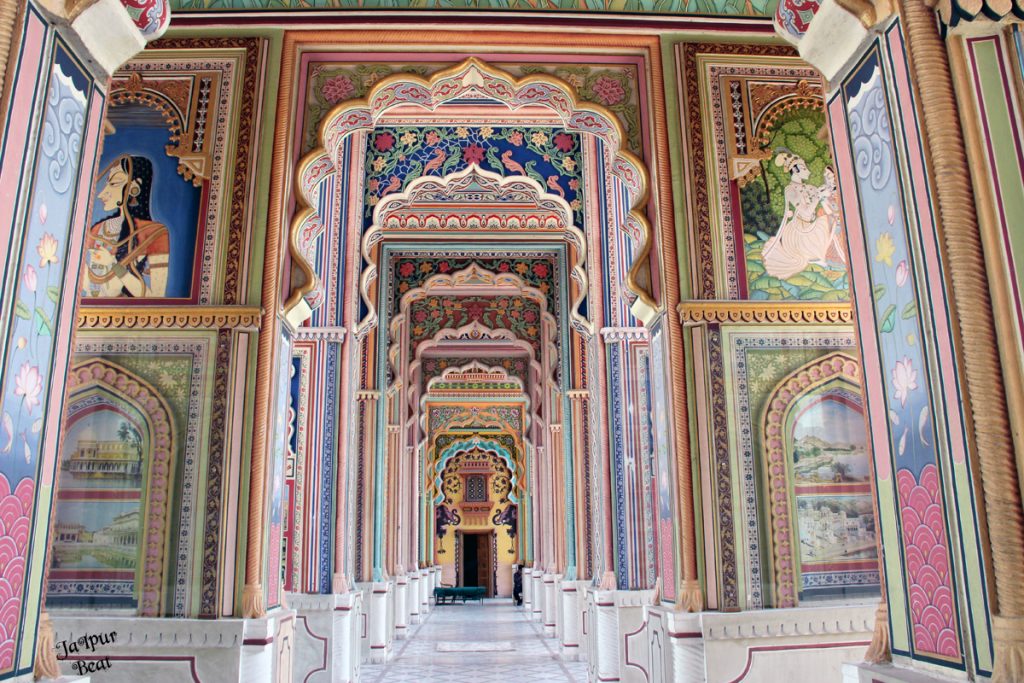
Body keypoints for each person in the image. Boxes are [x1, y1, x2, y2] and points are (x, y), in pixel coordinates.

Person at [82, 155, 170, 298]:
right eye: (107, 183)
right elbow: (88, 286)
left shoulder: (154, 233)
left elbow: (155, 298)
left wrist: (114, 266)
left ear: (134, 188)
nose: (102, 194)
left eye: (114, 183)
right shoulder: (98, 229)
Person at [761, 151, 845, 280]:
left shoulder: (810, 187)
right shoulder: (790, 190)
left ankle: (835, 255)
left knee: (828, 220)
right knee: (825, 221)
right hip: (797, 229)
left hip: (810, 223)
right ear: (795, 169)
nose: (808, 172)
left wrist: (825, 196)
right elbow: (806, 211)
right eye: (804, 168)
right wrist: (819, 198)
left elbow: (823, 200)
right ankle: (824, 256)